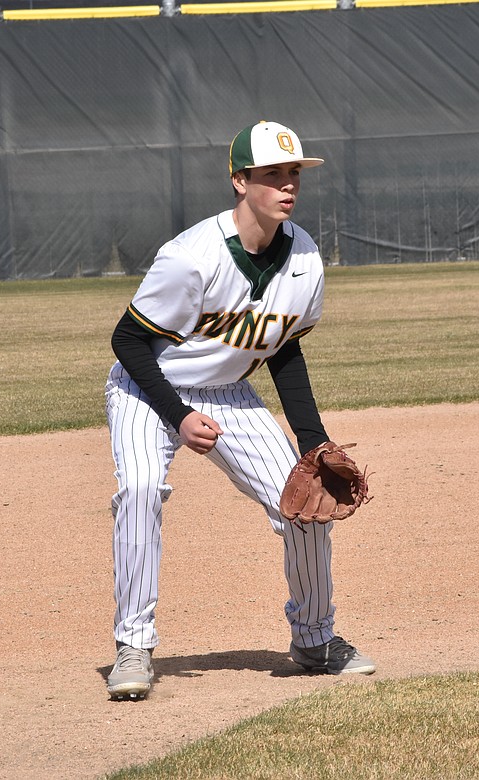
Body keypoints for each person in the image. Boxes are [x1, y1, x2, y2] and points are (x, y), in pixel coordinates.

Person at [103, 121, 375, 701]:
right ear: (239, 180)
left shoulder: (304, 257)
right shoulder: (190, 256)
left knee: (303, 505)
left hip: (227, 393)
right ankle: (134, 645)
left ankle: (315, 640)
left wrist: (313, 440)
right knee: (142, 488)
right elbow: (127, 341)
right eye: (271, 174)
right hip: (148, 390)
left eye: (293, 173)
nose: (287, 186)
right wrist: (177, 415)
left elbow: (285, 350)